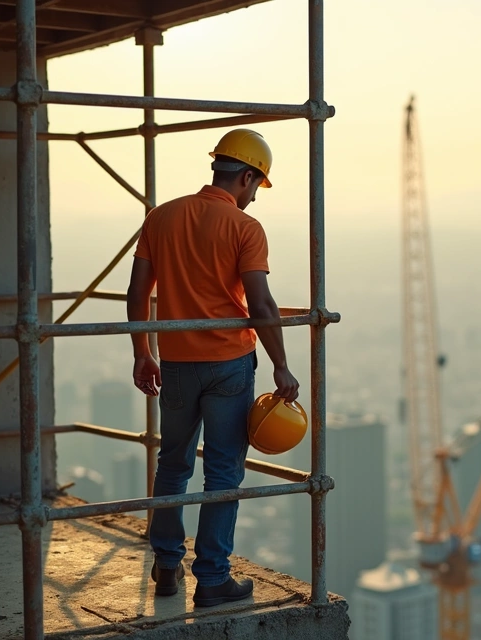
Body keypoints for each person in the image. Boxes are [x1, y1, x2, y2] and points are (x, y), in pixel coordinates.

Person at [126, 129, 299, 607]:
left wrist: (143, 351)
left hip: (176, 363)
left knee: (172, 464)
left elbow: (138, 292)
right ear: (247, 177)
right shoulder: (244, 229)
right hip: (228, 365)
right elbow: (260, 302)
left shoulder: (160, 217)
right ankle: (213, 578)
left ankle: (165, 564)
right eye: (255, 188)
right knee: (223, 471)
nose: (252, 199)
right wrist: (281, 365)